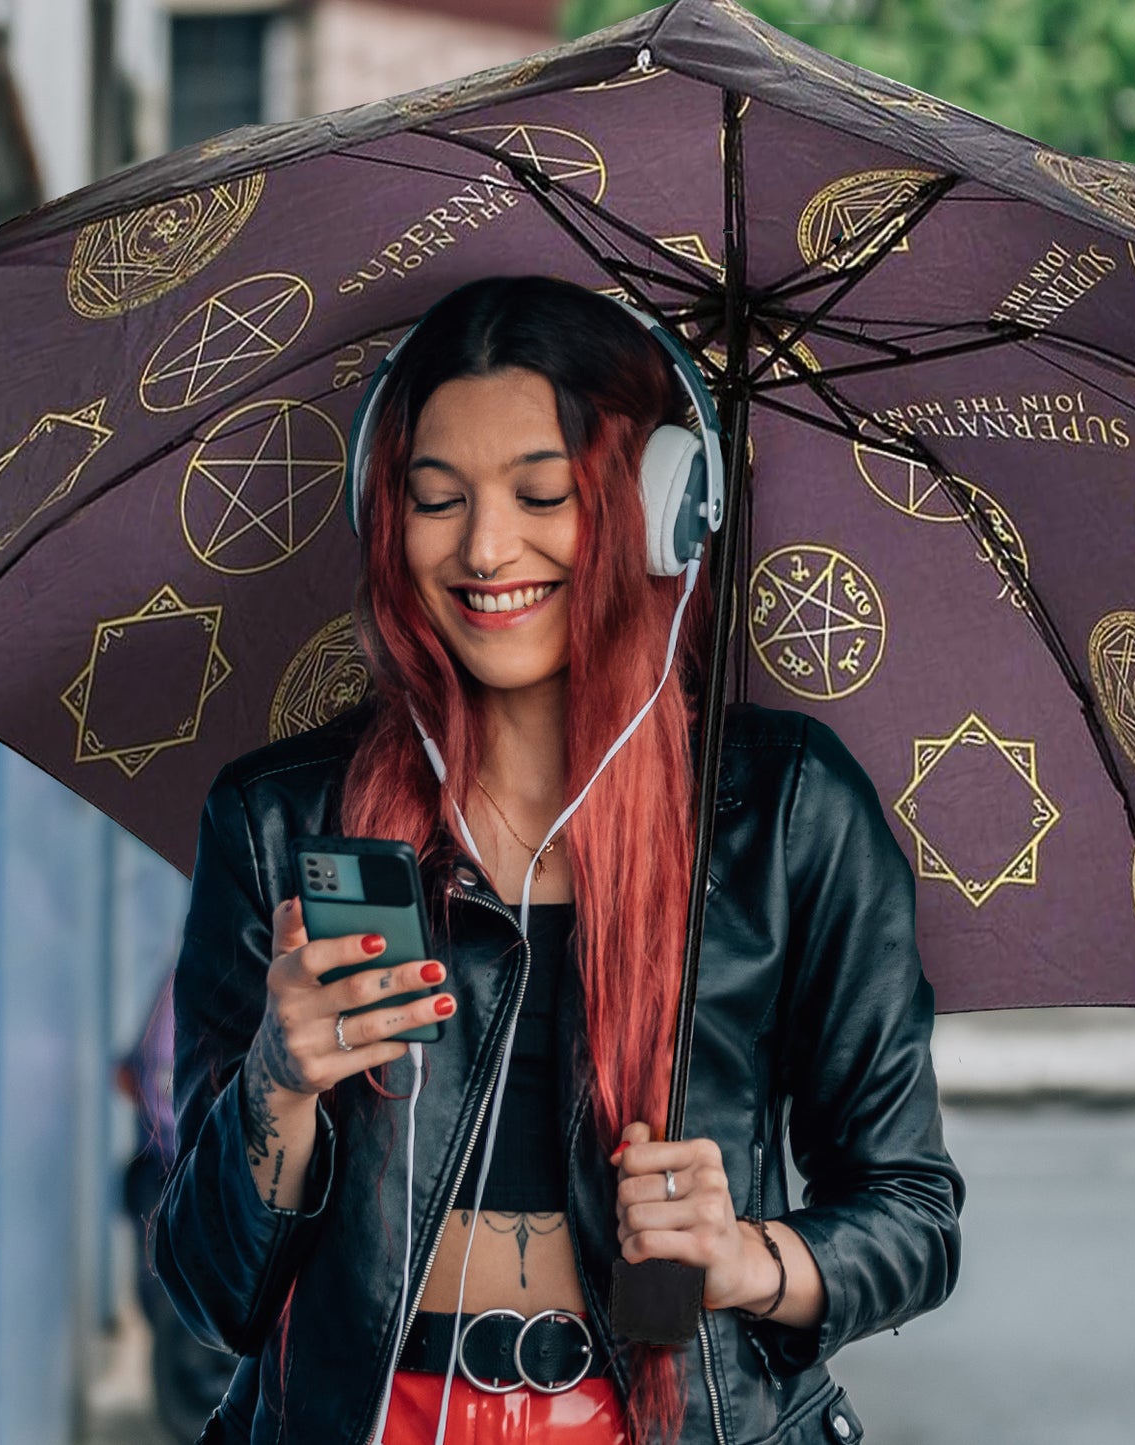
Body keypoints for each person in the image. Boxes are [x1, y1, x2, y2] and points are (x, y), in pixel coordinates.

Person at [152, 274, 964, 1445]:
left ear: (652, 506)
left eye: (543, 493)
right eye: (436, 500)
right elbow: (209, 1287)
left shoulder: (786, 814)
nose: (486, 548)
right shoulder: (279, 823)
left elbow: (911, 1213)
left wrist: (749, 1257)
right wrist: (276, 1086)